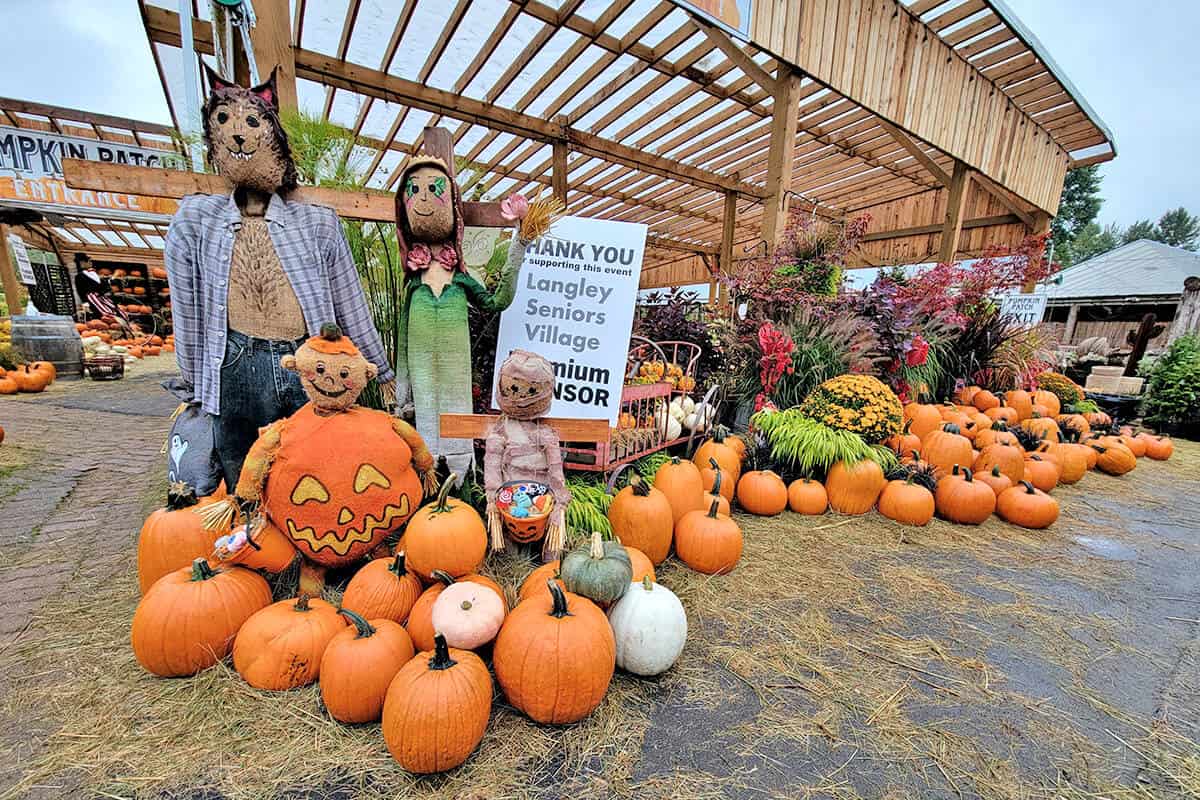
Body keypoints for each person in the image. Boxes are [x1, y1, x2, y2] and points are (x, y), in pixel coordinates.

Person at [164, 67, 395, 492]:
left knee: (315, 467)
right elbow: (187, 306)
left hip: (307, 361)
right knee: (243, 472)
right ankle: (252, 548)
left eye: (253, 122)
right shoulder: (195, 222)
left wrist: (380, 371)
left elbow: (349, 299)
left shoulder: (317, 223)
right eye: (225, 122)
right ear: (213, 140)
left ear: (273, 137)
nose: (239, 133)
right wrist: (194, 384)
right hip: (231, 359)